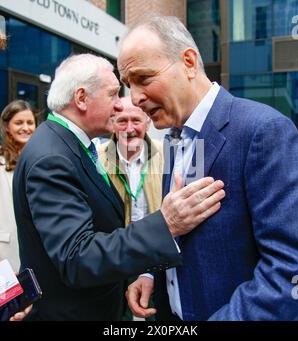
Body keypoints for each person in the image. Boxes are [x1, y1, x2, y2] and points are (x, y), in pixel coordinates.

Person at [12, 54, 225, 321]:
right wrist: (166, 223)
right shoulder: (53, 157)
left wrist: (148, 272)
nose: (121, 106)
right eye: (114, 94)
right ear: (81, 98)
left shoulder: (72, 146)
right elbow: (78, 257)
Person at [118, 15, 298, 321]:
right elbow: (184, 232)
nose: (135, 98)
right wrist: (150, 274)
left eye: (143, 79)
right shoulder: (174, 138)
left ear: (188, 62)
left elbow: (288, 271)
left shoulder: (263, 130)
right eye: (128, 85)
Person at [98, 96, 162, 320]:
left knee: (156, 313)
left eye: (136, 120)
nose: (130, 128)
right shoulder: (97, 159)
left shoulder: (169, 154)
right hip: (115, 255)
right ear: (112, 122)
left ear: (147, 121)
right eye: (122, 121)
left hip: (156, 254)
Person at [0, 100, 37, 272]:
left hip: (36, 249)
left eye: (30, 123)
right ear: (7, 127)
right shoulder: (0, 162)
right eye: (19, 122)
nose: (26, 128)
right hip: (6, 253)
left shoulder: (40, 158)